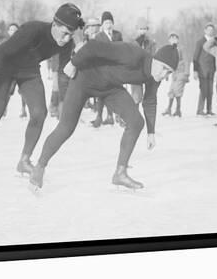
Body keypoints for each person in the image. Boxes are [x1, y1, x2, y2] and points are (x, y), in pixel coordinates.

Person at [0, 3, 83, 178]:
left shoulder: (66, 43)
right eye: (65, 33)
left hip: (30, 71)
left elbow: (64, 70)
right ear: (55, 24)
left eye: (70, 35)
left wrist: (78, 53)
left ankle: (24, 160)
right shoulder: (33, 30)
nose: (66, 39)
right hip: (7, 67)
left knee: (39, 113)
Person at [29, 38, 179, 190]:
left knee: (136, 122)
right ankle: (39, 167)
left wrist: (151, 131)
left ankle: (120, 173)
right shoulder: (132, 54)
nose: (164, 74)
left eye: (169, 72)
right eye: (163, 68)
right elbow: (94, 46)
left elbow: (150, 100)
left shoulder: (155, 77)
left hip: (110, 87)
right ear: (155, 59)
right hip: (84, 79)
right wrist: (73, 63)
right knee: (66, 128)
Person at [91, 11, 123, 127]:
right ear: (102, 25)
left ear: (113, 23)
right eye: (106, 23)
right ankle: (99, 116)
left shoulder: (117, 35)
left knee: (114, 91)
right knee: (101, 93)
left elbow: (121, 50)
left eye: (110, 22)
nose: (108, 25)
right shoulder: (98, 37)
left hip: (115, 68)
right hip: (102, 68)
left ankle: (113, 116)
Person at [162, 33, 189, 117]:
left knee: (177, 91)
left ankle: (178, 110)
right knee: (171, 91)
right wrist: (166, 74)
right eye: (171, 38)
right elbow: (167, 63)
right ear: (169, 40)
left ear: (178, 40)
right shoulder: (169, 50)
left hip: (181, 72)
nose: (173, 40)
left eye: (175, 38)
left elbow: (186, 60)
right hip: (174, 74)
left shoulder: (181, 48)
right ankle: (169, 109)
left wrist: (187, 73)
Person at [131, 17, 156, 105]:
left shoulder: (151, 42)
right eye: (140, 29)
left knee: (148, 97)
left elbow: (153, 57)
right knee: (136, 96)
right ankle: (135, 116)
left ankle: (147, 117)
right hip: (136, 72)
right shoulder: (132, 42)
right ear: (137, 29)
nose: (142, 31)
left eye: (144, 29)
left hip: (147, 71)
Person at [193, 23, 217, 116]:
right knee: (203, 90)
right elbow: (195, 57)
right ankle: (200, 110)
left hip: (211, 70)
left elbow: (216, 56)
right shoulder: (200, 42)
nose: (210, 31)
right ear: (205, 30)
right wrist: (195, 70)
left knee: (210, 91)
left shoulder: (215, 43)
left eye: (212, 30)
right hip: (202, 70)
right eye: (209, 30)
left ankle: (209, 110)